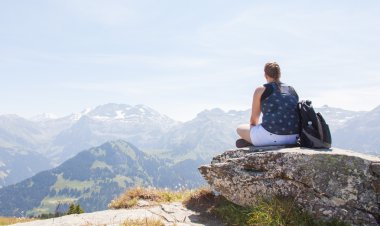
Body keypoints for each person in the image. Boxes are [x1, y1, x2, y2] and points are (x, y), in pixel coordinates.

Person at [236, 62, 300, 147]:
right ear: (279, 74)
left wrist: (254, 132)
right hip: (294, 137)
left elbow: (253, 120)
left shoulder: (261, 90)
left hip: (271, 136)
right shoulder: (291, 90)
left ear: (265, 75)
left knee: (240, 128)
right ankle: (255, 140)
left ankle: (254, 141)